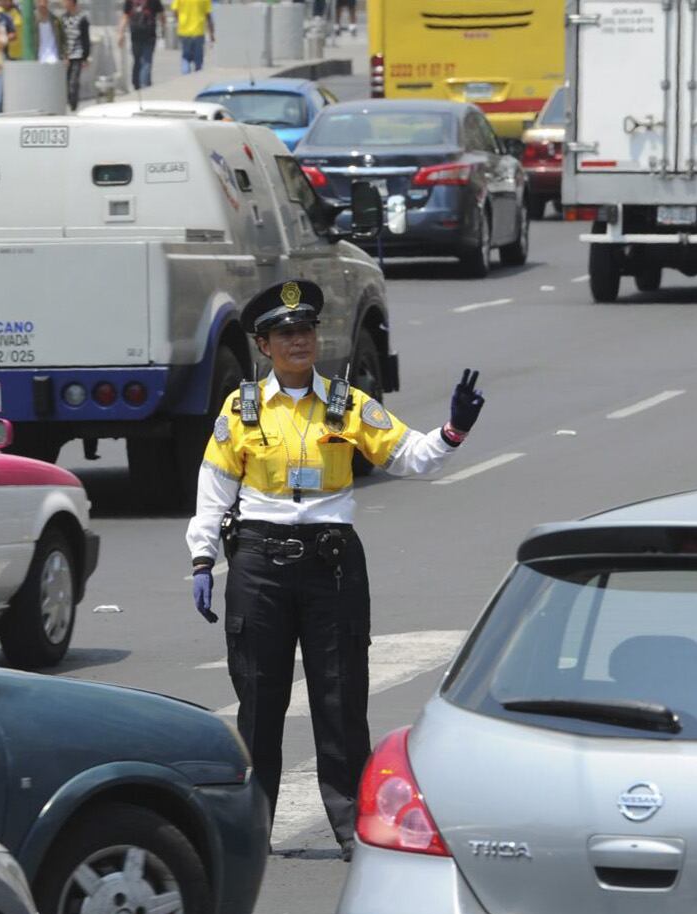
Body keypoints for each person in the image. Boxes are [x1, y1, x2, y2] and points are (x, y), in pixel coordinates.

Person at [186, 280, 486, 860]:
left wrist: (453, 431)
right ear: (263, 344)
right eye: (285, 334)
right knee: (258, 698)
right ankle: (252, 828)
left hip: (332, 563)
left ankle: (353, 829)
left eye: (306, 330)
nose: (299, 341)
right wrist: (203, 557)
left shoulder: (346, 403)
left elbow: (409, 455)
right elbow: (213, 491)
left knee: (341, 696)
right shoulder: (240, 409)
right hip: (259, 561)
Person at [119, 0, 163, 90]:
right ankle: (144, 86)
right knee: (146, 61)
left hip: (135, 34)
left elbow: (125, 16)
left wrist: (120, 33)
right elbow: (161, 15)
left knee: (137, 60)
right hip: (149, 34)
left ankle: (136, 84)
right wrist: (163, 26)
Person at [61, 0, 91, 109]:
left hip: (77, 55)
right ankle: (67, 102)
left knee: (73, 81)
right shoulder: (63, 18)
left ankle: (73, 105)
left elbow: (85, 39)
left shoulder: (82, 18)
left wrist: (85, 57)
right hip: (65, 56)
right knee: (66, 81)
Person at [172, 0, 213, 75]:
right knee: (198, 59)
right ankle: (197, 77)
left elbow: (175, 10)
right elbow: (208, 16)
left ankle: (185, 75)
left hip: (184, 31)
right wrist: (212, 34)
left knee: (186, 57)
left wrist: (179, 21)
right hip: (198, 31)